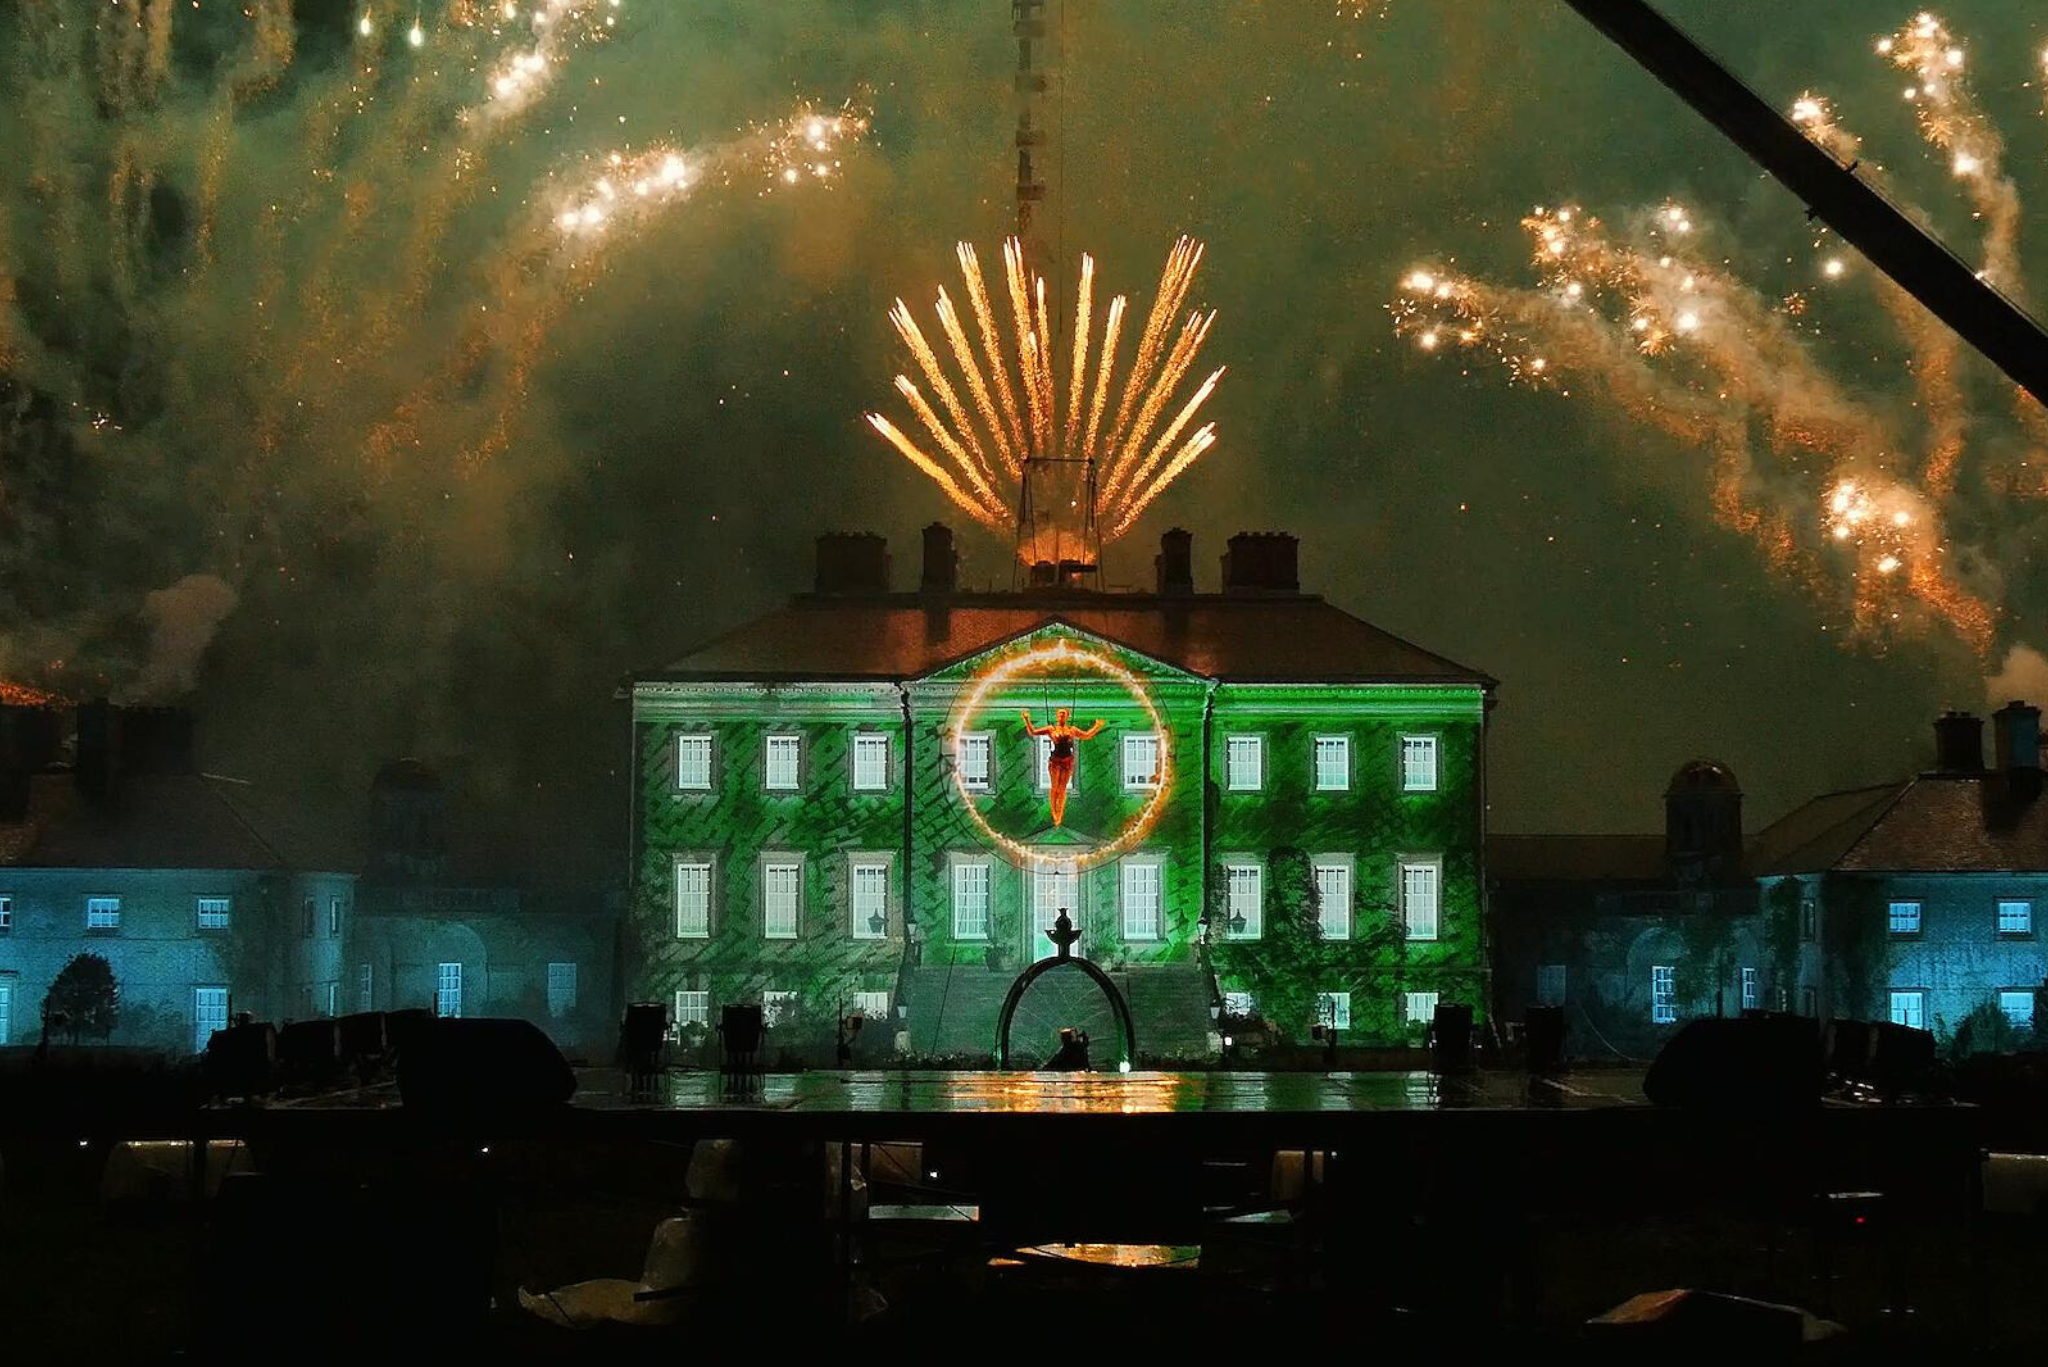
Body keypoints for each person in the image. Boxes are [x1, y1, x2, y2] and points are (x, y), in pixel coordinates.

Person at [1020, 706, 1104, 827]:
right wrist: (1026, 719)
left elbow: (1087, 735)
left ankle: (1059, 813)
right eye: (1060, 714)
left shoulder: (1072, 730)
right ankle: (1054, 811)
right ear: (1056, 716)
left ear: (1067, 716)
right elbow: (1033, 732)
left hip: (1067, 761)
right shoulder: (1051, 729)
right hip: (1055, 761)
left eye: (1064, 714)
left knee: (1062, 789)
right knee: (1055, 787)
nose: (1061, 716)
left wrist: (1097, 726)